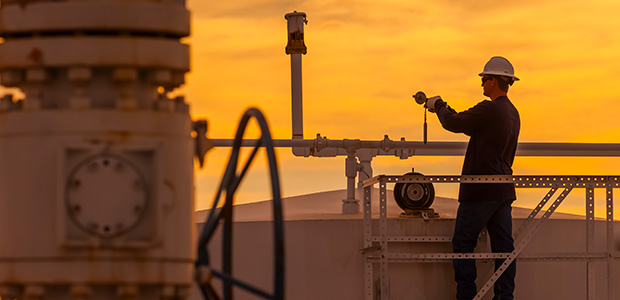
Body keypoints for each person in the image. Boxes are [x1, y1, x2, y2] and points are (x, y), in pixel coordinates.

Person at [421, 56, 520, 300]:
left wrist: (439, 106)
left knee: (463, 243)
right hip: (502, 190)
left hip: (480, 191)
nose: (482, 84)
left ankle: (466, 296)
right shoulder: (511, 112)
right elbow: (467, 124)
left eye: (484, 79)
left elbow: (453, 124)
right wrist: (444, 109)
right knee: (503, 248)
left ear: (494, 81)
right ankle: (504, 296)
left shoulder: (489, 108)